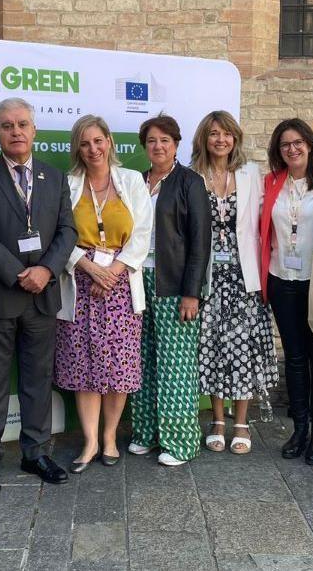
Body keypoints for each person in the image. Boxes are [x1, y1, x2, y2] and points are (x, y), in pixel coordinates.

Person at [0, 97, 78, 495]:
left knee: (37, 379)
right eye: (7, 125)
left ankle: (36, 453)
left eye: (22, 124)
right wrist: (17, 273)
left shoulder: (54, 177)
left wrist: (45, 270)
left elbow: (68, 231)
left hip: (42, 296)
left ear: (34, 130)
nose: (16, 132)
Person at [55, 115, 152, 472]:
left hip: (121, 285)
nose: (93, 149)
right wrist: (87, 266)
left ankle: (110, 437)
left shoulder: (131, 181)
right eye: (85, 143)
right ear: (77, 149)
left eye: (98, 141)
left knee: (119, 365)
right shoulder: (67, 185)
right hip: (80, 285)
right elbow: (60, 234)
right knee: (84, 364)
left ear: (109, 141)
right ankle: (90, 441)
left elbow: (142, 232)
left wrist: (111, 272)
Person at [259, 118, 313, 466]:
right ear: (278, 151)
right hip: (282, 279)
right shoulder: (272, 182)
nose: (292, 149)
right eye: (284, 145)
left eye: (298, 142)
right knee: (295, 359)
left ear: (310, 144)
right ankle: (299, 429)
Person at [191, 110, 277, 455]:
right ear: (204, 138)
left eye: (226, 134)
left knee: (242, 346)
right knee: (211, 345)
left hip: (244, 276)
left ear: (235, 138)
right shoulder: (192, 175)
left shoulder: (250, 173)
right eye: (213, 134)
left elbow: (263, 221)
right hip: (209, 276)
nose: (220, 140)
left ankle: (241, 420)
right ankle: (217, 419)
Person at [128, 114, 211, 467]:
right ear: (144, 146)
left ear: (176, 144)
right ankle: (146, 433)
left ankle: (180, 442)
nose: (158, 146)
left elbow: (200, 240)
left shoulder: (189, 182)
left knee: (175, 364)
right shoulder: (136, 181)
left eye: (164, 140)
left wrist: (192, 292)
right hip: (135, 279)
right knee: (142, 360)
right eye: (151, 141)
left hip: (174, 284)